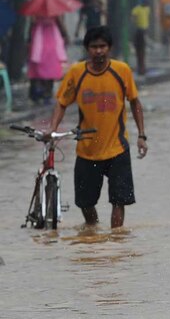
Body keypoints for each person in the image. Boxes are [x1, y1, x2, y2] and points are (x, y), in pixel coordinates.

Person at [49, 26, 147, 228]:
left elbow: (135, 103)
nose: (99, 51)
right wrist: (52, 130)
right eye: (94, 47)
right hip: (87, 149)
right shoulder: (77, 73)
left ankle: (115, 241)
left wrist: (142, 135)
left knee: (119, 200)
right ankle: (92, 232)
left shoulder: (122, 71)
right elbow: (62, 103)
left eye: (102, 46)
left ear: (109, 48)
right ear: (87, 49)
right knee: (85, 203)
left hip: (117, 147)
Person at [28, 15, 68, 105]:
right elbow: (62, 30)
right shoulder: (55, 17)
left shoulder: (36, 20)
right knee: (49, 72)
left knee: (39, 72)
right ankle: (46, 94)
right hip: (51, 47)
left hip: (39, 49)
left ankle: (40, 93)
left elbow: (31, 34)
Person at [130, 0, 150, 76]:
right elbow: (133, 17)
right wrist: (134, 23)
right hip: (139, 30)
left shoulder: (147, 9)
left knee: (142, 51)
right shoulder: (137, 9)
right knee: (140, 51)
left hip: (144, 30)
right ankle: (141, 68)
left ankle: (142, 68)